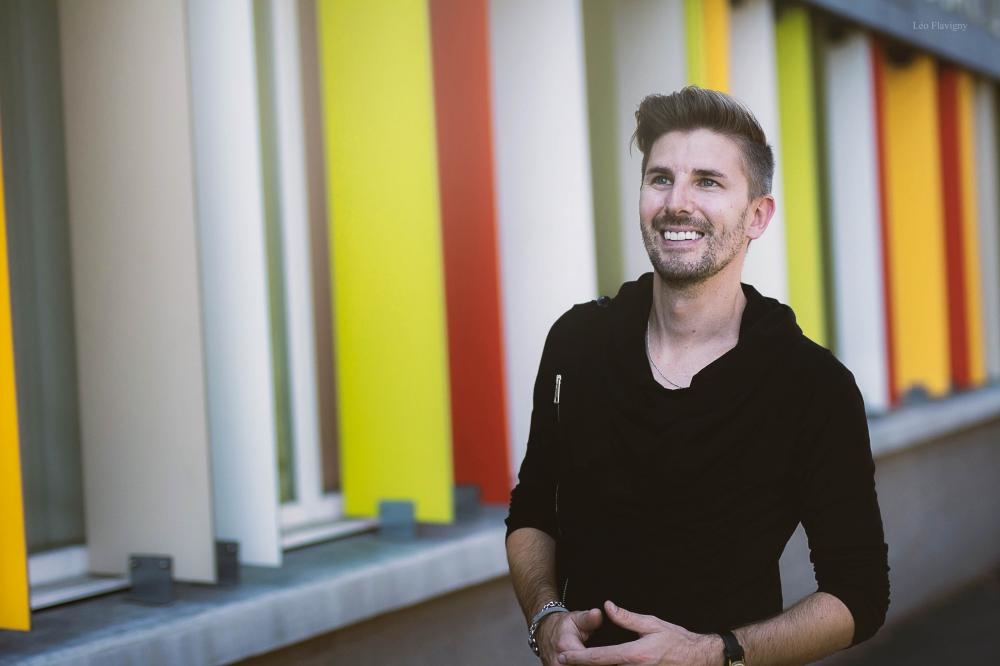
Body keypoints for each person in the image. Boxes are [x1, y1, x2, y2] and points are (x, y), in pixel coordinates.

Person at [505, 86, 889, 666]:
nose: (677, 203)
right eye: (660, 179)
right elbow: (533, 512)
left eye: (708, 182)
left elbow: (859, 594)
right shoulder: (576, 343)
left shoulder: (812, 386)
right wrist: (545, 616)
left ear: (757, 215)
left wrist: (713, 652)